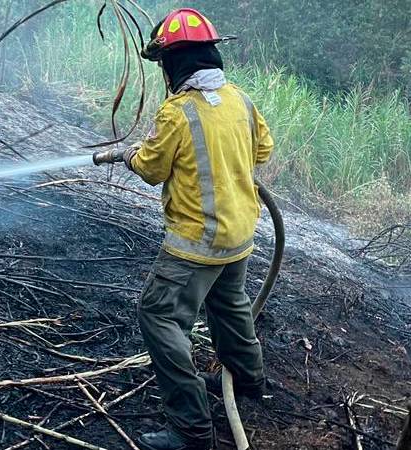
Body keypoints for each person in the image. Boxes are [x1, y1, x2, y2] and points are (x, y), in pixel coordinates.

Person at [94, 8, 275, 450]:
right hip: (238, 236)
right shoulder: (240, 100)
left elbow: (153, 169)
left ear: (175, 64)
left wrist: (133, 155)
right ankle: (250, 383)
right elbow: (263, 151)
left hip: (195, 243)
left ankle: (191, 429)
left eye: (164, 64)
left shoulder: (177, 113)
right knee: (229, 303)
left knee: (157, 314)